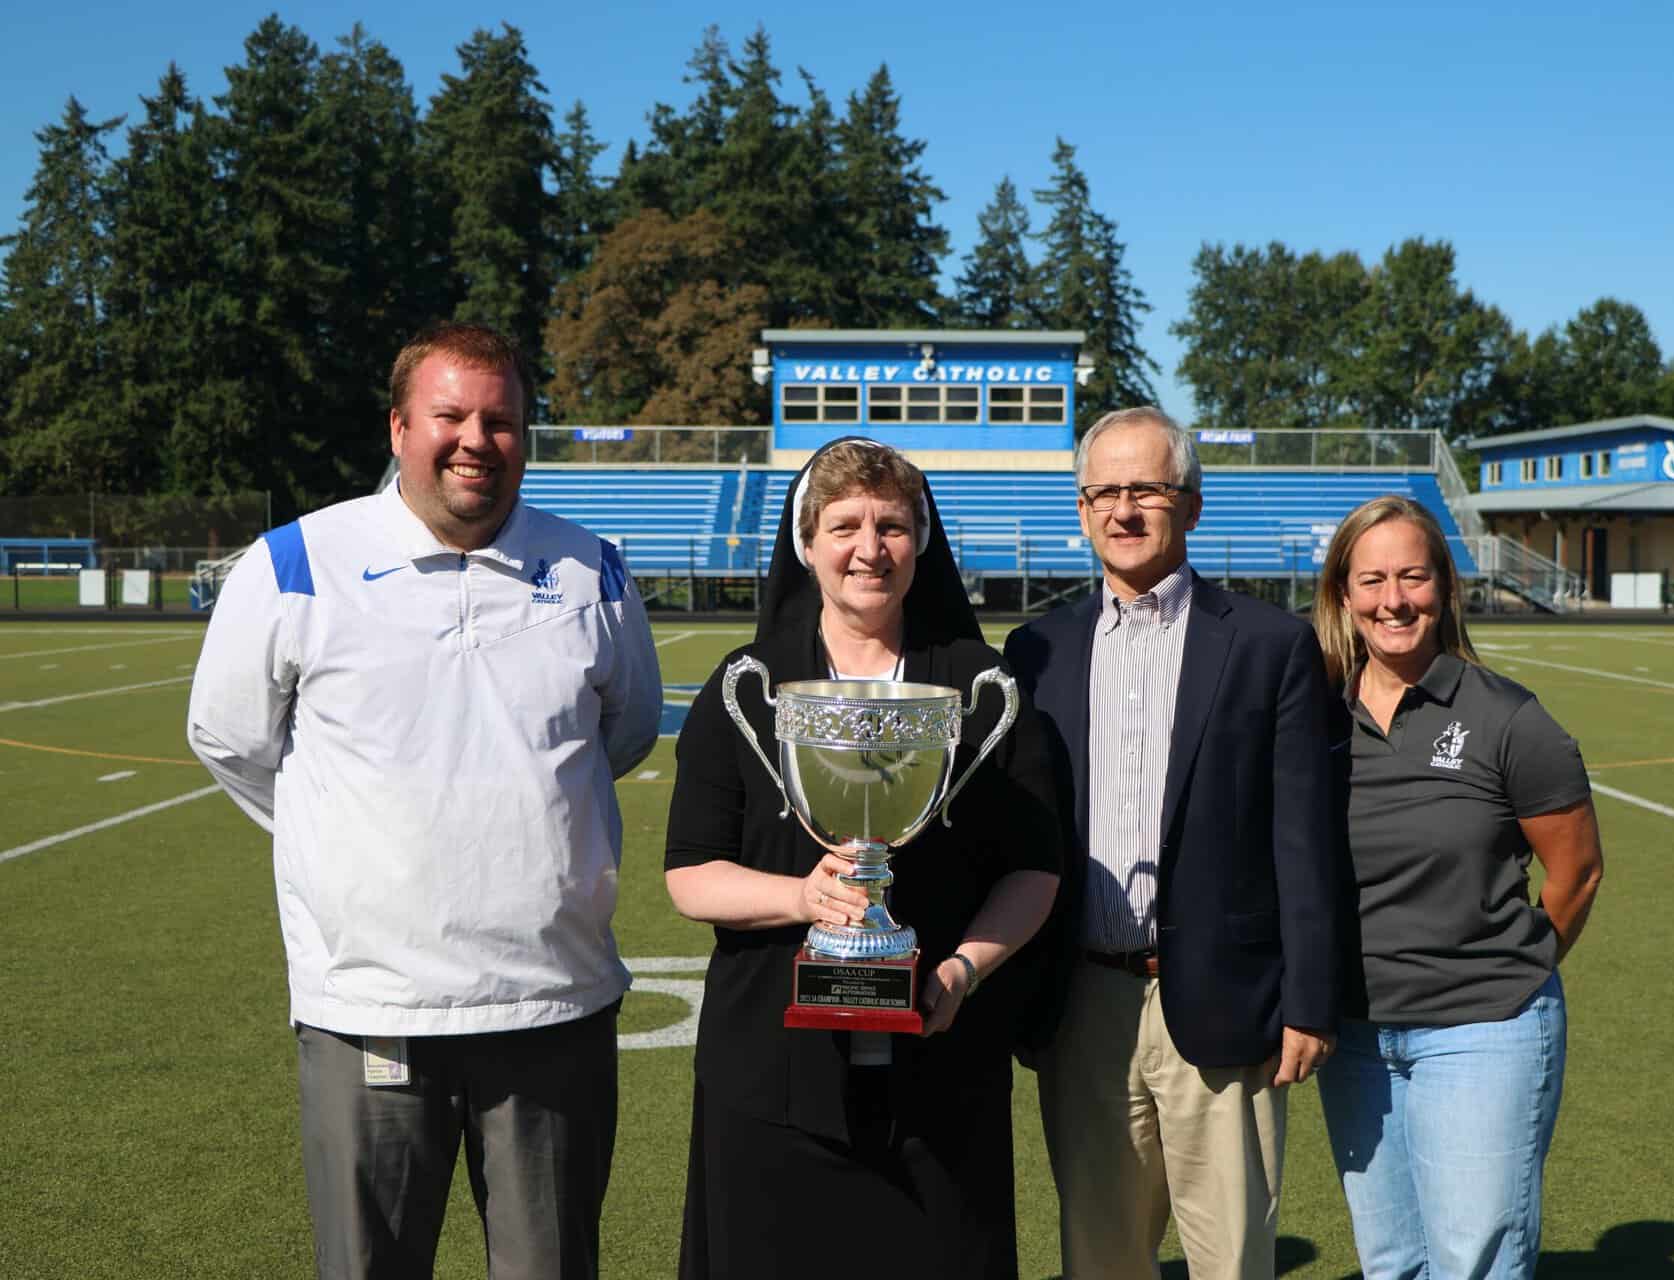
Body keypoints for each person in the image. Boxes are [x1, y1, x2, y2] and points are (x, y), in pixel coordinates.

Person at [186, 322, 663, 1280]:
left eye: (502, 420)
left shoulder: (593, 569)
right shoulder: (293, 563)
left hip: (551, 1001)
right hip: (372, 1002)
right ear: (400, 426)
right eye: (450, 416)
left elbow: (627, 730)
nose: (475, 440)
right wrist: (357, 840)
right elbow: (231, 738)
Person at [664, 437, 1062, 1280]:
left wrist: (960, 971)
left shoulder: (981, 688)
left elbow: (1033, 869)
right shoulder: (748, 684)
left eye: (892, 526)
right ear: (807, 544)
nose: (868, 549)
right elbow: (691, 871)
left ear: (922, 540)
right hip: (771, 1080)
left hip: (942, 1078)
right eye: (844, 525)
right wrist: (804, 898)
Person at [1002, 406, 1343, 1280]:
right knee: (1100, 1254)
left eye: (1147, 488)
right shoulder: (1035, 649)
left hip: (1229, 1000)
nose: (1124, 510)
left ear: (1190, 504)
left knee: (1231, 1257)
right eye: (1104, 492)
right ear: (1081, 511)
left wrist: (1309, 997)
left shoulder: (1272, 645)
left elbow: (1304, 837)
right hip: (1081, 1003)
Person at [1310, 494, 1604, 1280]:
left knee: (1476, 1263)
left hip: (1483, 1031)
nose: (1392, 600)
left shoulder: (1510, 718)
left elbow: (1577, 870)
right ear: (1344, 594)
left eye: (1412, 576)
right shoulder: (1313, 716)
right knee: (1392, 1262)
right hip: (1356, 1038)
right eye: (1371, 580)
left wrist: (1514, 968)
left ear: (1445, 586)